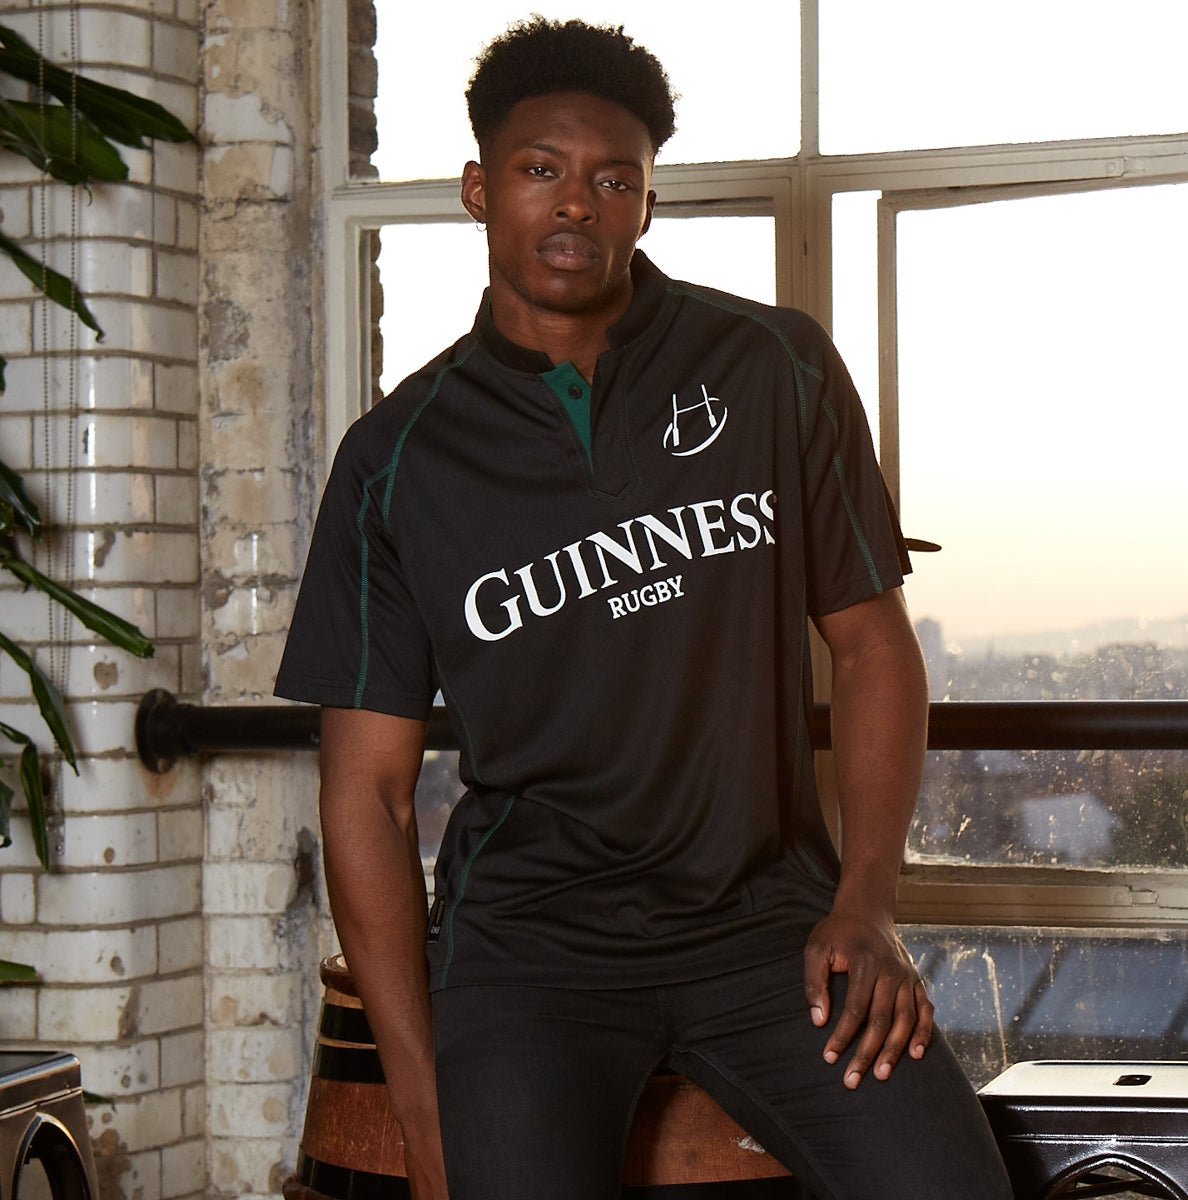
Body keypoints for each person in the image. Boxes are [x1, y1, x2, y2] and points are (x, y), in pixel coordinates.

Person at [275, 16, 1013, 1200]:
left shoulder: (774, 366)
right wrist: (420, 1092)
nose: (577, 203)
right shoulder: (395, 458)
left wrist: (868, 904)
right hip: (533, 954)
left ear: (648, 206)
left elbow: (873, 647)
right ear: (478, 189)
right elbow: (364, 786)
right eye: (540, 170)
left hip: (768, 930)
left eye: (614, 179)